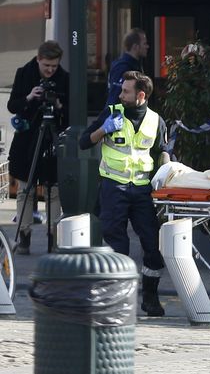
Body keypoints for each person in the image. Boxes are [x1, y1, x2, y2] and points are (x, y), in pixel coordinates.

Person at [80, 71, 170, 316]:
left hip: (142, 190)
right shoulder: (111, 113)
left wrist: (167, 171)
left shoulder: (156, 120)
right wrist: (104, 130)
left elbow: (162, 151)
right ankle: (118, 299)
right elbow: (83, 141)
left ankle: (150, 297)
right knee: (118, 244)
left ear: (141, 95)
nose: (120, 95)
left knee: (152, 244)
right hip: (113, 187)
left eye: (126, 92)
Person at [7, 41, 69, 255]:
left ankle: (53, 237)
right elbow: (12, 105)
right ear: (38, 60)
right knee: (26, 189)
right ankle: (24, 238)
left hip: (52, 139)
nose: (51, 70)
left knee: (53, 190)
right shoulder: (24, 73)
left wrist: (60, 106)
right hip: (28, 138)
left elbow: (72, 113)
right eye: (46, 66)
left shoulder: (64, 78)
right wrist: (29, 97)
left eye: (54, 66)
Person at [106, 28, 149, 106]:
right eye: (144, 43)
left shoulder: (134, 65)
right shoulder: (123, 68)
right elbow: (115, 97)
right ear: (135, 46)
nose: (147, 46)